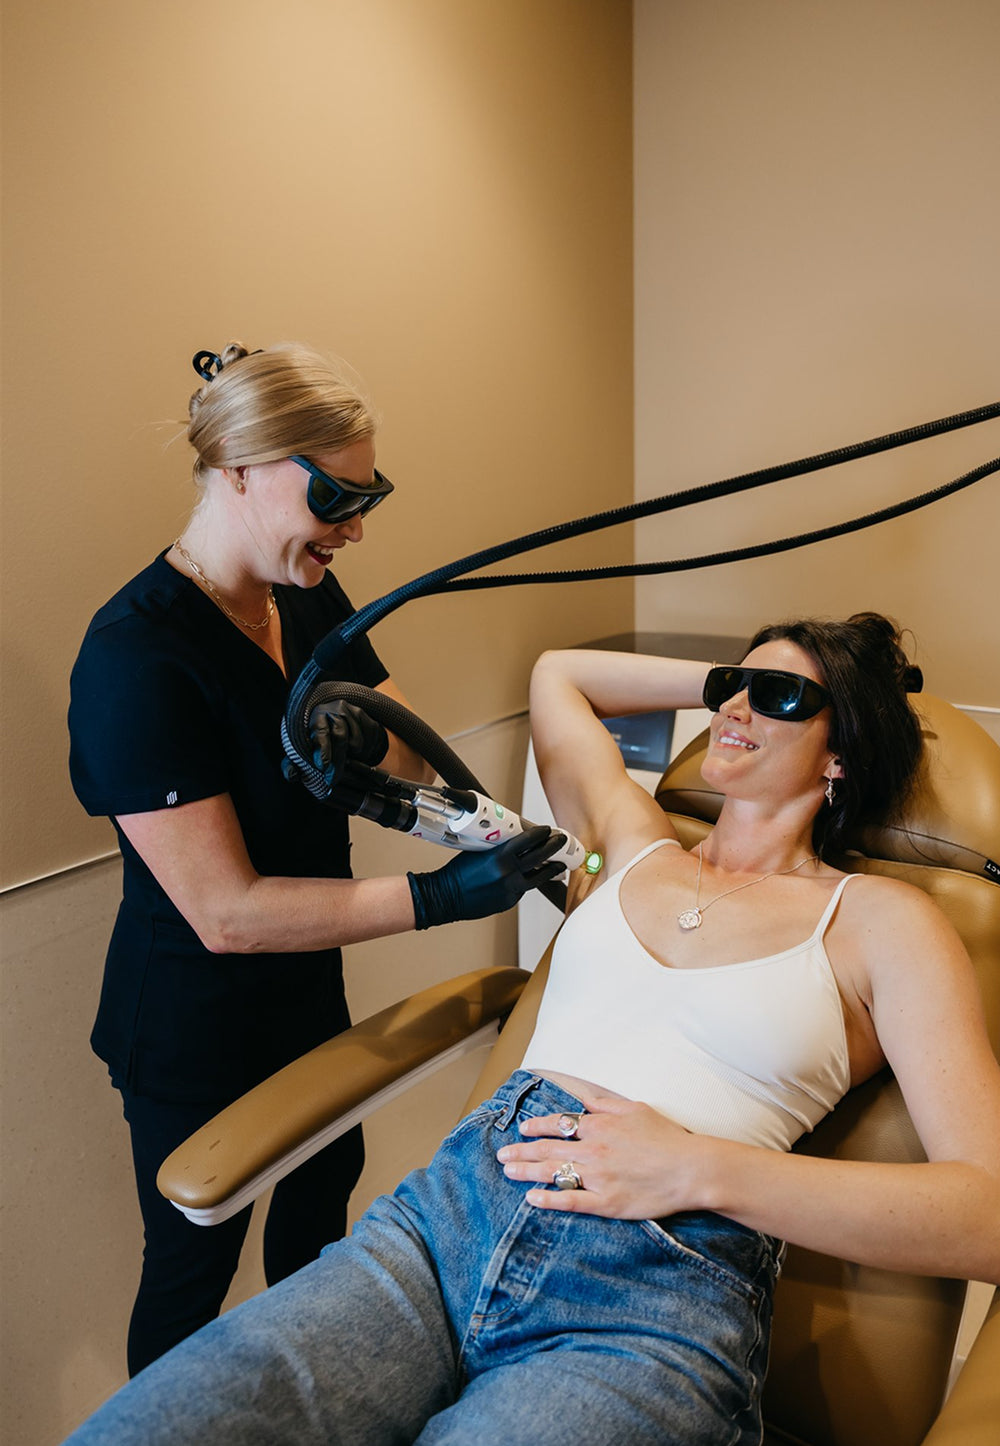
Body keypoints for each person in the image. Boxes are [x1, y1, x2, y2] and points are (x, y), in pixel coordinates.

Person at [64, 612, 1000, 1444]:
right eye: (732, 688)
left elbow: (988, 1213)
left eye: (783, 695)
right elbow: (559, 674)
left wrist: (700, 1168)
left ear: (844, 754)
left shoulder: (880, 919)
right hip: (440, 1231)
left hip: (647, 1300)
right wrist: (730, 682)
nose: (736, 710)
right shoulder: (636, 840)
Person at [67, 342, 564, 1377]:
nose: (355, 524)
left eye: (367, 493)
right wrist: (439, 898)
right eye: (334, 494)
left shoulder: (303, 598)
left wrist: (484, 825)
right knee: (191, 1269)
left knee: (322, 1194)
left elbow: (387, 739)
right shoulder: (137, 657)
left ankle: (315, 1397)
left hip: (301, 994)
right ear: (240, 469)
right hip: (192, 1021)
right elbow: (227, 913)